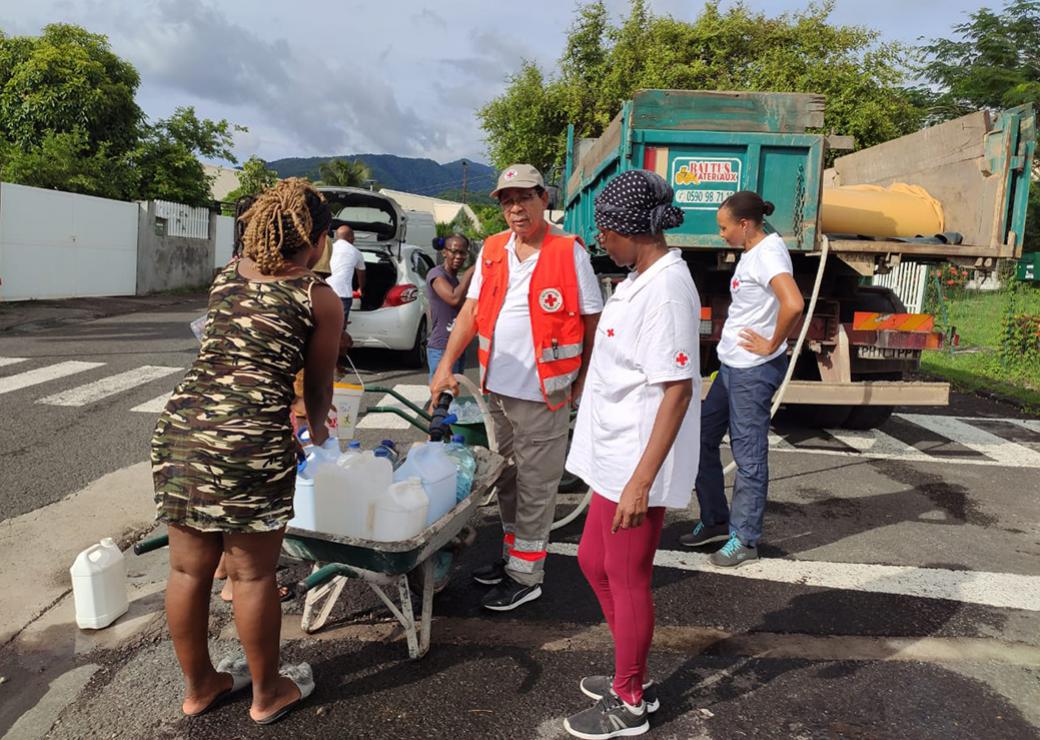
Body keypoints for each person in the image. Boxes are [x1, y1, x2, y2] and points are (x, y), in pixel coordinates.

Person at [151, 178, 343, 724]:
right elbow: (318, 389)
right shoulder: (317, 297)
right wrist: (322, 437)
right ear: (317, 239)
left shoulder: (227, 277)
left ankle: (201, 687)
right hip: (251, 439)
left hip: (182, 428)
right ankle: (267, 694)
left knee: (188, 571)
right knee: (253, 575)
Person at [562, 170, 700, 739]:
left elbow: (678, 389)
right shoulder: (640, 276)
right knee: (593, 563)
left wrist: (642, 482)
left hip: (637, 463)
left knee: (626, 573)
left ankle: (631, 698)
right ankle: (630, 668)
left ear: (631, 229)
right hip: (613, 455)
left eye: (605, 232)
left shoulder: (667, 288)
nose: (601, 242)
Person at [430, 164, 603, 611]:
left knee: (536, 485)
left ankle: (527, 575)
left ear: (543, 199)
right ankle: (513, 556)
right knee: (505, 477)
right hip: (498, 391)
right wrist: (445, 365)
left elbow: (593, 323)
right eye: (507, 201)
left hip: (545, 392)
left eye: (523, 197)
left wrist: (582, 384)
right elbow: (468, 314)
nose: (515, 208)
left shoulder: (569, 252)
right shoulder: (492, 249)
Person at [679, 190, 804, 567]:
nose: (721, 234)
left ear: (745, 224)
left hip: (753, 371)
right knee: (702, 438)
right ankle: (716, 519)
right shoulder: (753, 252)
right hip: (732, 367)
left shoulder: (768, 254)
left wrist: (772, 343)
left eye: (724, 227)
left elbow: (794, 302)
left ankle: (745, 539)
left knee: (748, 457)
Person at [426, 234, 474, 379]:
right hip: (441, 347)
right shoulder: (437, 274)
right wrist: (470, 272)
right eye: (454, 251)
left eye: (462, 252)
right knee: (442, 396)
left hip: (457, 345)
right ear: (444, 252)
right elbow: (454, 298)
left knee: (451, 394)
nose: (458, 256)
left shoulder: (454, 278)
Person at [327, 225, 366, 325]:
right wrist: (361, 288)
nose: (354, 239)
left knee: (324, 325)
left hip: (325, 292)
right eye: (353, 236)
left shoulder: (328, 249)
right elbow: (361, 274)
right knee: (339, 328)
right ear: (350, 237)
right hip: (343, 295)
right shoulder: (356, 252)